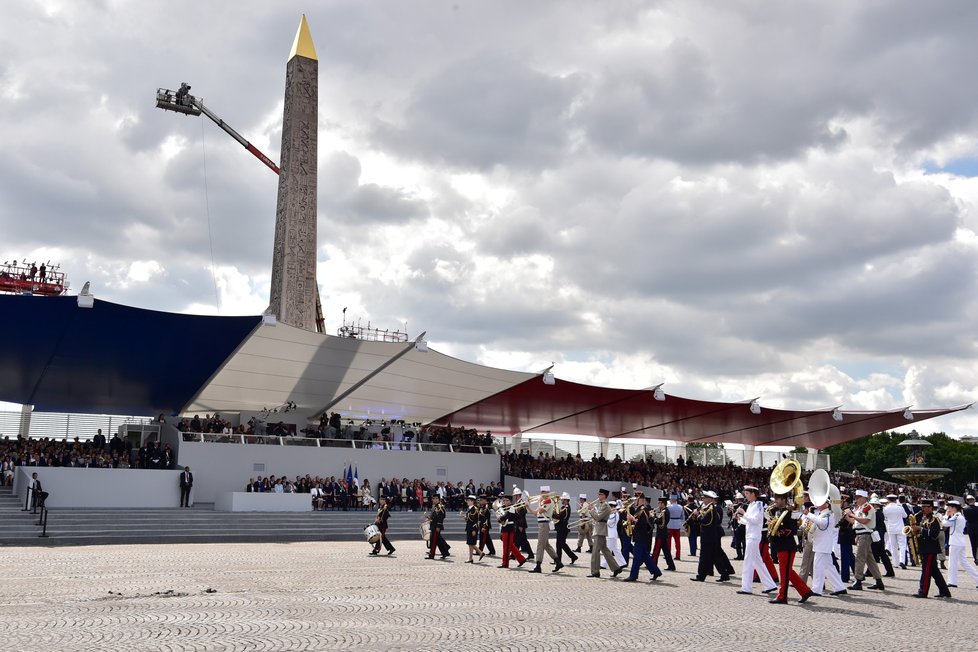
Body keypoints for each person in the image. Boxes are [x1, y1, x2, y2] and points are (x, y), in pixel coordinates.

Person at [767, 493, 814, 604]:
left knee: (784, 572)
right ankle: (805, 591)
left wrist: (778, 531)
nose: (775, 502)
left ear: (783, 499)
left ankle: (782, 596)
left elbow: (792, 530)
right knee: (788, 571)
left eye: (777, 499)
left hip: (787, 545)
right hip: (780, 545)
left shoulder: (790, 512)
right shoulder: (777, 511)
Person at [735, 485, 777, 595]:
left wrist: (744, 514)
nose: (746, 496)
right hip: (750, 535)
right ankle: (770, 585)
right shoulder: (751, 505)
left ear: (753, 494)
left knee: (748, 561)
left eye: (747, 494)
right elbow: (750, 521)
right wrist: (740, 519)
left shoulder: (758, 504)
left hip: (753, 537)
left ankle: (746, 587)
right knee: (757, 562)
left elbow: (757, 520)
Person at [803, 500, 847, 596]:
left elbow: (822, 524)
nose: (818, 504)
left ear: (826, 505)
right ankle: (840, 587)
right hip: (821, 544)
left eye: (821, 503)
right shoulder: (822, 514)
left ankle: (816, 589)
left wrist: (809, 515)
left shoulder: (827, 515)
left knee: (818, 567)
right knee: (829, 567)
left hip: (822, 545)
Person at [690, 490, 733, 583]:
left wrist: (698, 516)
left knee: (704, 556)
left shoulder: (711, 508)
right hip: (709, 535)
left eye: (704, 498)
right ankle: (724, 574)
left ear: (708, 499)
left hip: (708, 535)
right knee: (715, 556)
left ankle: (701, 576)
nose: (703, 499)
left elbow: (706, 521)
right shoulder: (708, 508)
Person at [846, 489, 885, 591]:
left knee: (860, 558)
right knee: (869, 559)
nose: (856, 499)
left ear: (864, 498)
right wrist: (846, 515)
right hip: (861, 534)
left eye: (858, 498)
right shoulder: (860, 508)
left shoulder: (867, 507)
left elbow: (864, 520)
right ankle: (878, 580)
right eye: (856, 497)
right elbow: (854, 522)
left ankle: (858, 580)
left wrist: (852, 514)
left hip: (865, 534)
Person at [913, 500, 951, 598]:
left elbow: (934, 534)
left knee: (926, 571)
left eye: (926, 507)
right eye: (923, 507)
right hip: (925, 547)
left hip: (930, 548)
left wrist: (920, 529)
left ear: (931, 507)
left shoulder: (935, 519)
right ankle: (945, 591)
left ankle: (923, 591)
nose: (924, 509)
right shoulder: (924, 518)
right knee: (935, 571)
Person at [623, 492, 661, 582]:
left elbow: (642, 523)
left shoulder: (642, 510)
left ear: (641, 500)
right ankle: (656, 571)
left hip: (641, 536)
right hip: (640, 536)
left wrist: (632, 519)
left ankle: (633, 575)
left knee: (637, 557)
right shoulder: (640, 509)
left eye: (636, 499)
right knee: (645, 557)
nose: (635, 501)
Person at [588, 488, 623, 578]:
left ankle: (595, 571)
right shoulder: (602, 505)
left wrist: (591, 510)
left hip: (600, 530)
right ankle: (616, 568)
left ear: (604, 496)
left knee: (595, 552)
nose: (598, 496)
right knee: (606, 551)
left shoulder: (605, 505)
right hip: (600, 529)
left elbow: (598, 517)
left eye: (600, 494)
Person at [942, 500, 978, 588]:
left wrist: (946, 515)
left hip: (955, 542)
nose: (948, 509)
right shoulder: (959, 516)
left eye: (950, 507)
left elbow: (945, 523)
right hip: (959, 542)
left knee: (952, 562)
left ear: (954, 508)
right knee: (964, 562)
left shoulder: (957, 516)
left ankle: (952, 581)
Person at [528, 486, 558, 573]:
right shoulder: (543, 501)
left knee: (540, 545)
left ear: (547, 492)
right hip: (541, 524)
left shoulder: (548, 500)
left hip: (544, 524)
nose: (541, 494)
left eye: (543, 492)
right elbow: (535, 513)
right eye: (541, 492)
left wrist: (538, 501)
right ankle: (558, 561)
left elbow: (540, 510)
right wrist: (527, 506)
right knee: (546, 545)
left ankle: (538, 565)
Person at [496, 495, 527, 569]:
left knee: (506, 547)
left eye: (506, 500)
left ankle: (505, 563)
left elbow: (507, 515)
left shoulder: (512, 507)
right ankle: (521, 559)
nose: (504, 502)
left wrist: (500, 518)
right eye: (504, 500)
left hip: (509, 529)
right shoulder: (503, 508)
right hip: (504, 528)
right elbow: (501, 514)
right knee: (510, 545)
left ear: (510, 501)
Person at [551, 492, 578, 572]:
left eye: (563, 499)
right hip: (561, 528)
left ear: (566, 500)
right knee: (562, 544)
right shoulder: (563, 507)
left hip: (562, 528)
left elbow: (559, 516)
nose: (561, 500)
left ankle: (558, 562)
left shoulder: (566, 508)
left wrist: (553, 514)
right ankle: (573, 556)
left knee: (559, 545)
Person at [882, 493, 909, 569]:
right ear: (895, 499)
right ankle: (902, 561)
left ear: (888, 500)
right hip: (900, 528)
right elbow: (905, 516)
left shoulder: (885, 508)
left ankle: (895, 563)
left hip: (891, 528)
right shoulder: (899, 507)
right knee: (902, 545)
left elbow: (885, 517)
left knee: (893, 546)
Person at [651, 496, 676, 571]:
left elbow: (661, 523)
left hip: (661, 533)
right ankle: (671, 565)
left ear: (662, 503)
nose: (658, 504)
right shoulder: (663, 511)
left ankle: (653, 565)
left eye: (659, 503)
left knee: (656, 551)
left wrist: (653, 517)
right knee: (666, 551)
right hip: (663, 533)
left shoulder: (664, 511)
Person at [426, 494, 450, 559]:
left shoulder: (440, 507)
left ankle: (432, 554)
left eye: (435, 499)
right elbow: (434, 517)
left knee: (434, 541)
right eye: (433, 499)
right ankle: (445, 552)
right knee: (438, 540)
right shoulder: (435, 507)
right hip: (433, 525)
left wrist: (438, 526)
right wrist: (429, 518)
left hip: (436, 526)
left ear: (438, 499)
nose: (434, 500)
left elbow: (441, 517)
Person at [666, 495, 684, 560]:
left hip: (670, 524)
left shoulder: (668, 507)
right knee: (677, 541)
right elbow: (682, 517)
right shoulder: (680, 507)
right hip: (677, 524)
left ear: (672, 500)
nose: (670, 500)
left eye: (670, 499)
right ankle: (678, 555)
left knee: (668, 541)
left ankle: (668, 555)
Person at [463, 495, 480, 564]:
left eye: (469, 500)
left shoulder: (475, 509)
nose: (467, 501)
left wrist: (474, 529)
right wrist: (465, 517)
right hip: (468, 527)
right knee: (470, 543)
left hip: (472, 528)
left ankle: (471, 558)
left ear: (472, 501)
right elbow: (469, 519)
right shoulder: (469, 508)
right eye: (467, 500)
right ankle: (477, 554)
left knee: (471, 543)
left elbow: (475, 520)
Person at [963, 495, 978, 562]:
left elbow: (966, 518)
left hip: (970, 527)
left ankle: (975, 557)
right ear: (974, 500)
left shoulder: (965, 509)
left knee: (973, 544)